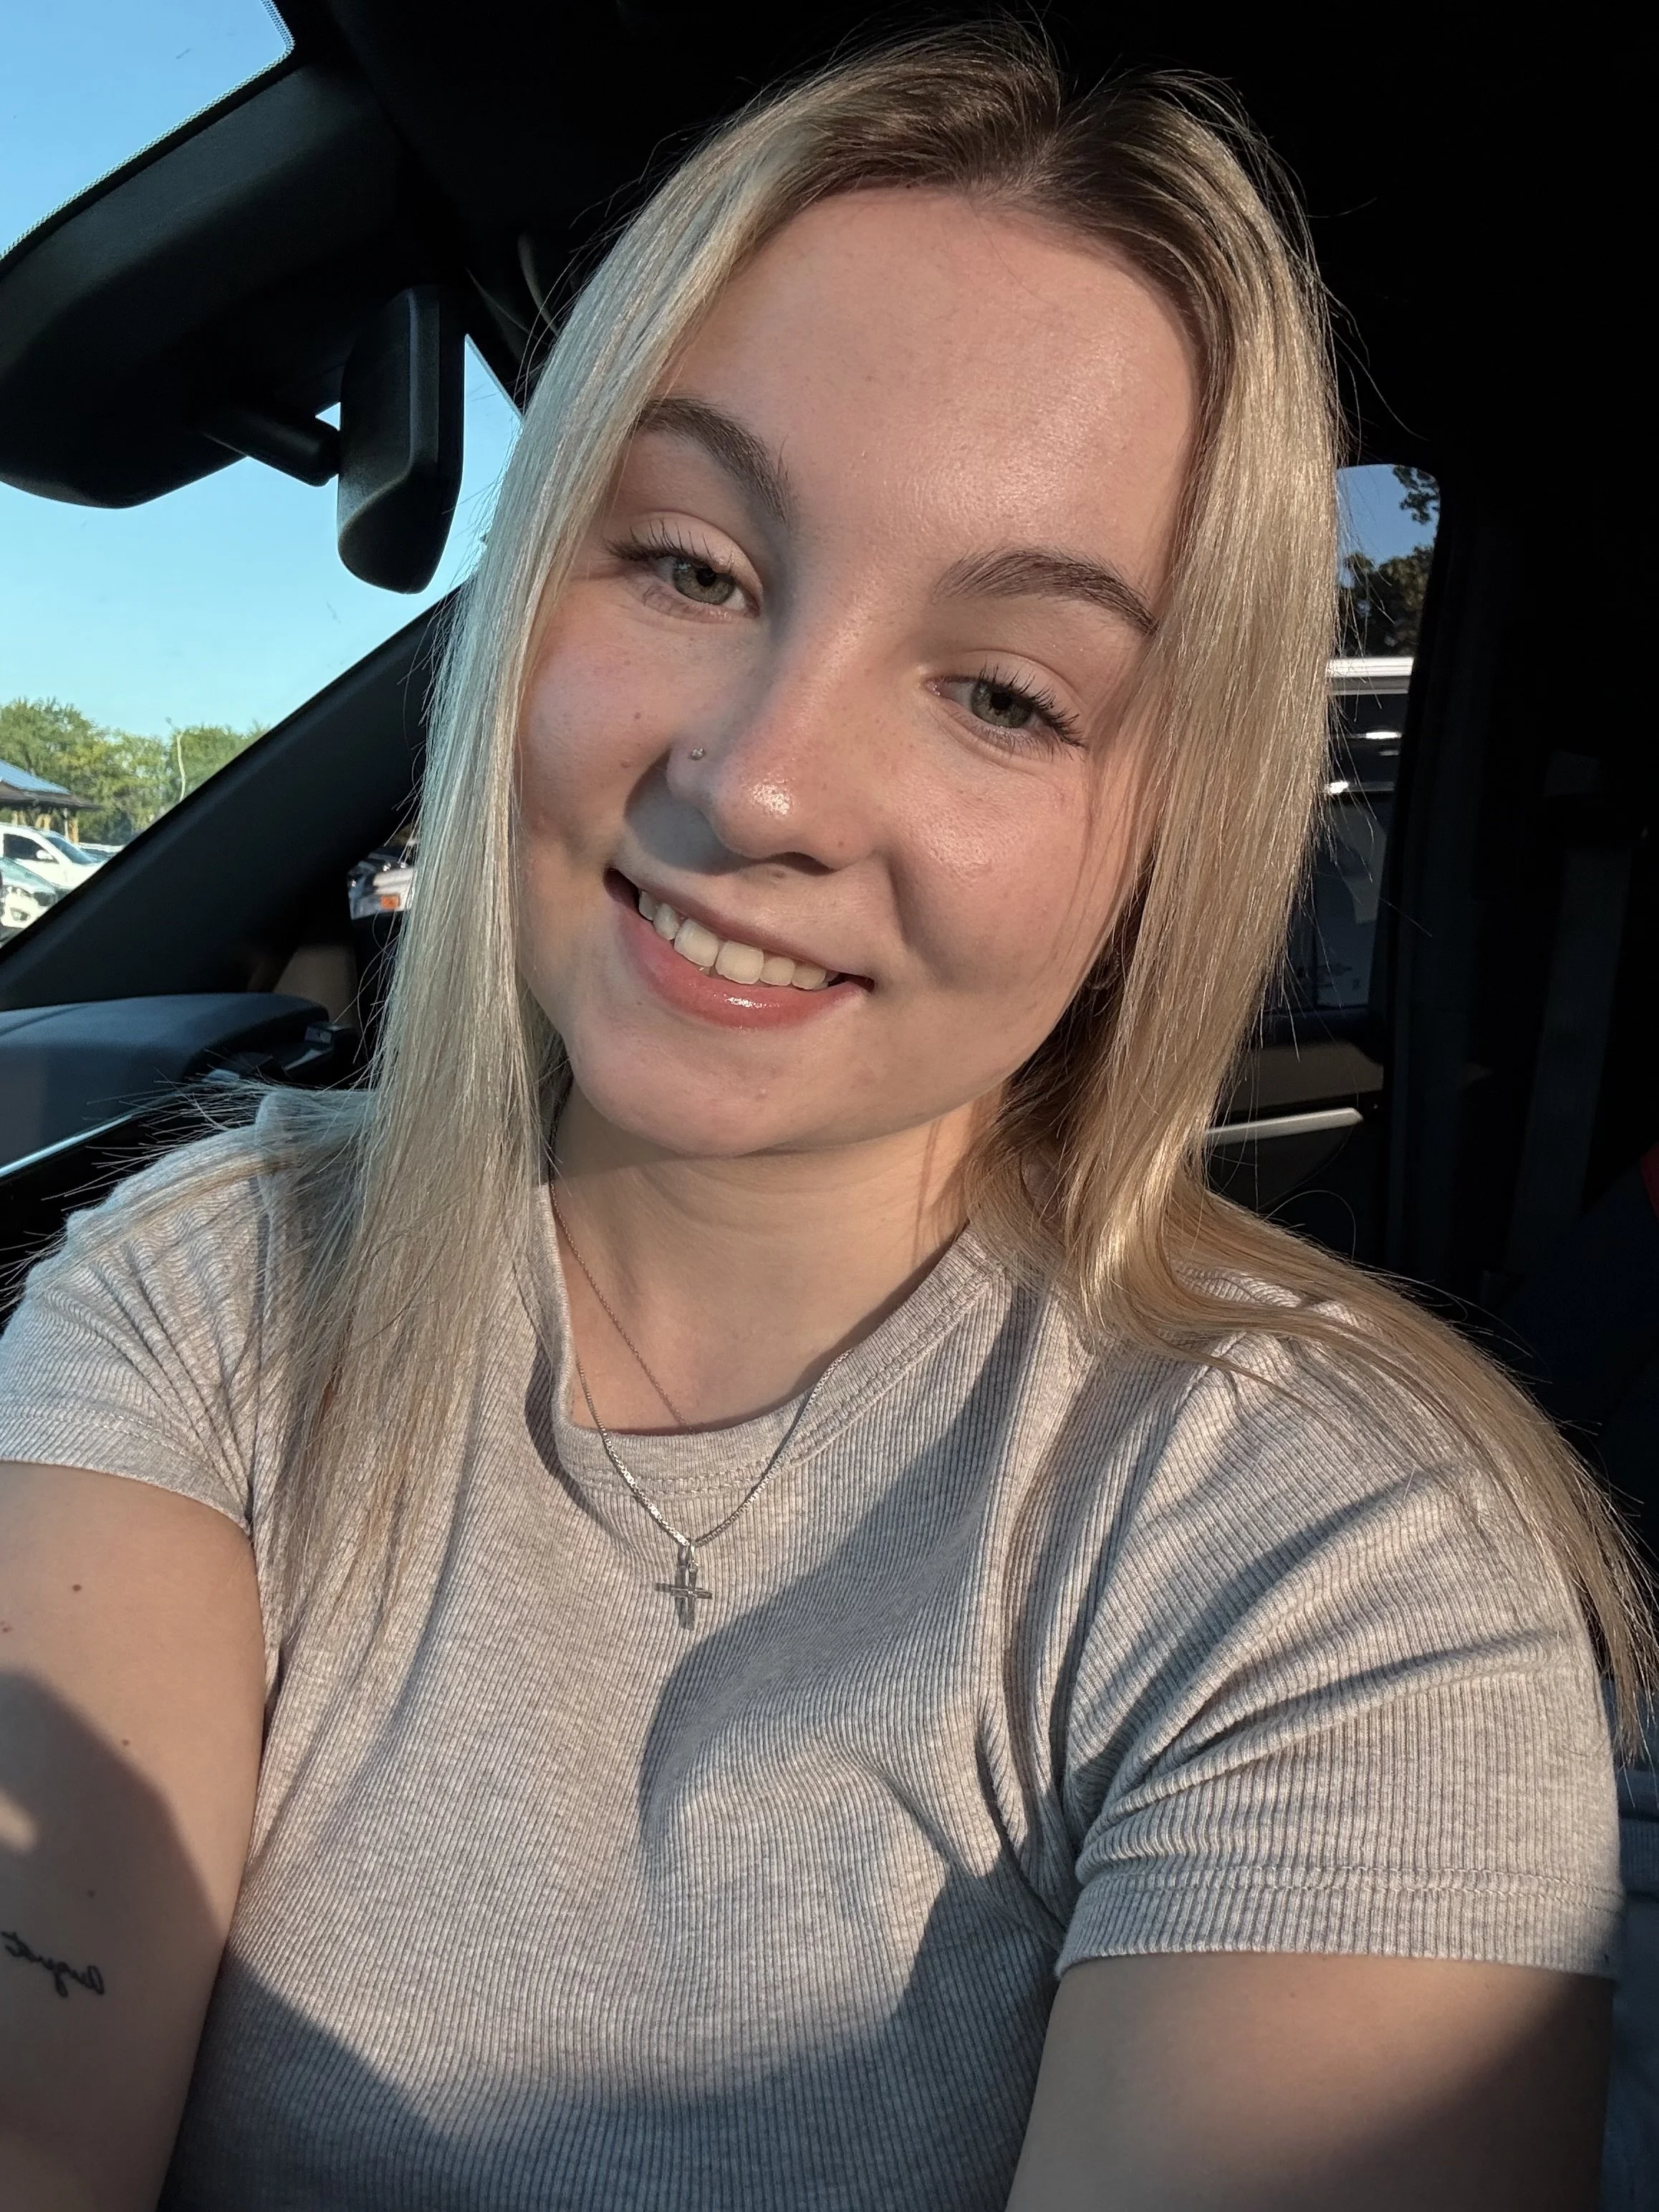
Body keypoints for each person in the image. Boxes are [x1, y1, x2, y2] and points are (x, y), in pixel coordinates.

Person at [0, 29, 1647, 2211]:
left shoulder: (1337, 1571)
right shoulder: (210, 1287)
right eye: (689, 564)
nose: (760, 783)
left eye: (1001, 693)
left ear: (1164, 826)